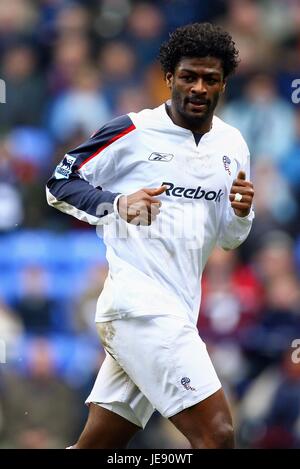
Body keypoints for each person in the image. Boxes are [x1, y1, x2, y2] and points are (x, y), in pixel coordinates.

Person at [46, 23, 255, 449]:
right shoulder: (133, 131)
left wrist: (241, 213)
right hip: (140, 309)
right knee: (218, 435)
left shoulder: (232, 144)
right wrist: (118, 204)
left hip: (177, 310)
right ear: (168, 79)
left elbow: (229, 240)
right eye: (188, 77)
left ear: (223, 83)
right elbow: (58, 184)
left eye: (209, 79)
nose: (198, 87)